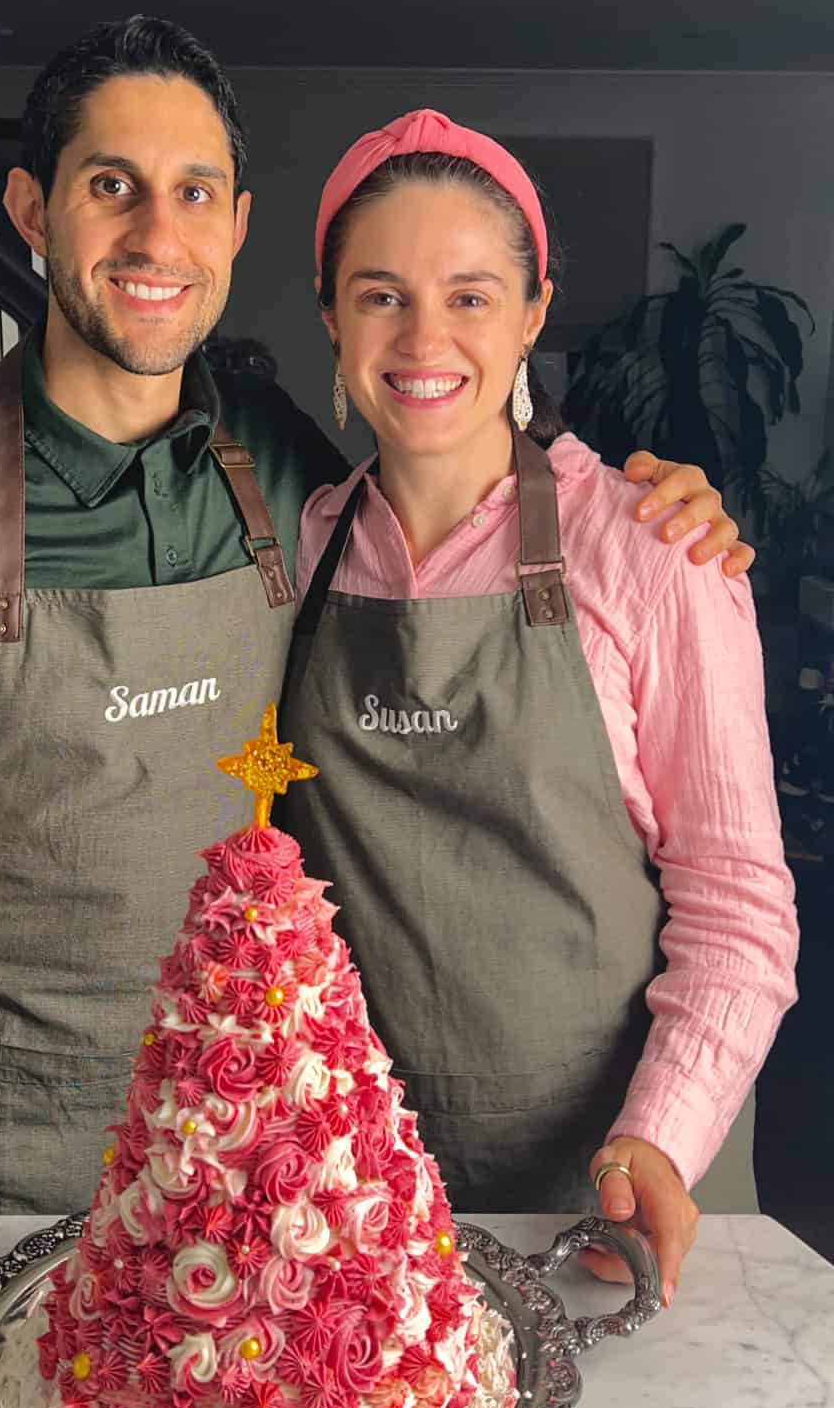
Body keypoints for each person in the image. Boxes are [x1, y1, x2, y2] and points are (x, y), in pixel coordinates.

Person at [0, 18, 750, 1373]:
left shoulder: (281, 471)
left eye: (195, 191)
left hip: (279, 1162)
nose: (157, 234)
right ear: (32, 209)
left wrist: (663, 510)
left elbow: (728, 892)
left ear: (237, 227)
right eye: (111, 184)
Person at [271, 110, 798, 1305]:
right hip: (358, 1195)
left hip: (607, 1194)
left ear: (532, 312)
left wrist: (658, 1136)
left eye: (470, 296)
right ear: (331, 317)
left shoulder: (655, 551)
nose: (425, 339)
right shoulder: (306, 546)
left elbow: (740, 908)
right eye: (381, 296)